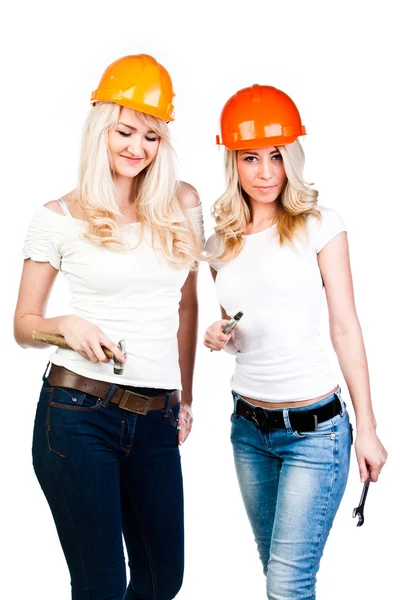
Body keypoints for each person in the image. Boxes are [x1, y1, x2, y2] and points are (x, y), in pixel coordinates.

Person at [14, 53, 203, 600]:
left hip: (156, 417)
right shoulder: (59, 216)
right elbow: (24, 325)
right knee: (101, 585)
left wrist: (184, 395)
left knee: (161, 580)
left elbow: (187, 307)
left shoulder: (180, 204)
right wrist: (64, 325)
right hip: (76, 416)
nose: (135, 149)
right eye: (124, 131)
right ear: (100, 126)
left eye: (150, 137)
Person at [204, 84, 387, 600]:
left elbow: (346, 327)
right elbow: (236, 331)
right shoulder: (218, 241)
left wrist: (368, 430)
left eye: (277, 156)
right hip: (248, 429)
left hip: (315, 434)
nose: (266, 172)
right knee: (277, 578)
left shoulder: (320, 226)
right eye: (250, 158)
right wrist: (220, 337)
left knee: (287, 587)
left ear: (293, 157)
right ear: (232, 162)